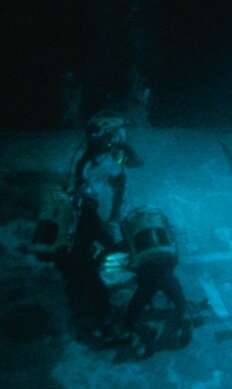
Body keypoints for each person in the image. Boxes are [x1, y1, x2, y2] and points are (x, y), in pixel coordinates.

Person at [116, 209, 190, 361]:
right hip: (165, 270)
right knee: (180, 303)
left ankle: (140, 332)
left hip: (148, 273)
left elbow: (128, 249)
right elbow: (174, 253)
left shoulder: (134, 231)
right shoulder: (161, 230)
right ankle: (181, 323)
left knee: (132, 312)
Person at [52, 191, 122, 346]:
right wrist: (115, 244)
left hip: (61, 259)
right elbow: (103, 237)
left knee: (75, 291)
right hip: (81, 259)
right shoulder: (89, 213)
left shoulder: (64, 212)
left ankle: (79, 328)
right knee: (101, 294)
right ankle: (98, 327)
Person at [73, 112, 143, 224]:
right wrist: (79, 180)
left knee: (120, 185)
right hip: (100, 167)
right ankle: (86, 213)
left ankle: (114, 216)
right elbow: (81, 163)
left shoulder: (121, 145)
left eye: (108, 143)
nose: (106, 144)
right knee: (90, 189)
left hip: (116, 170)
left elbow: (138, 162)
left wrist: (127, 160)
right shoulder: (95, 146)